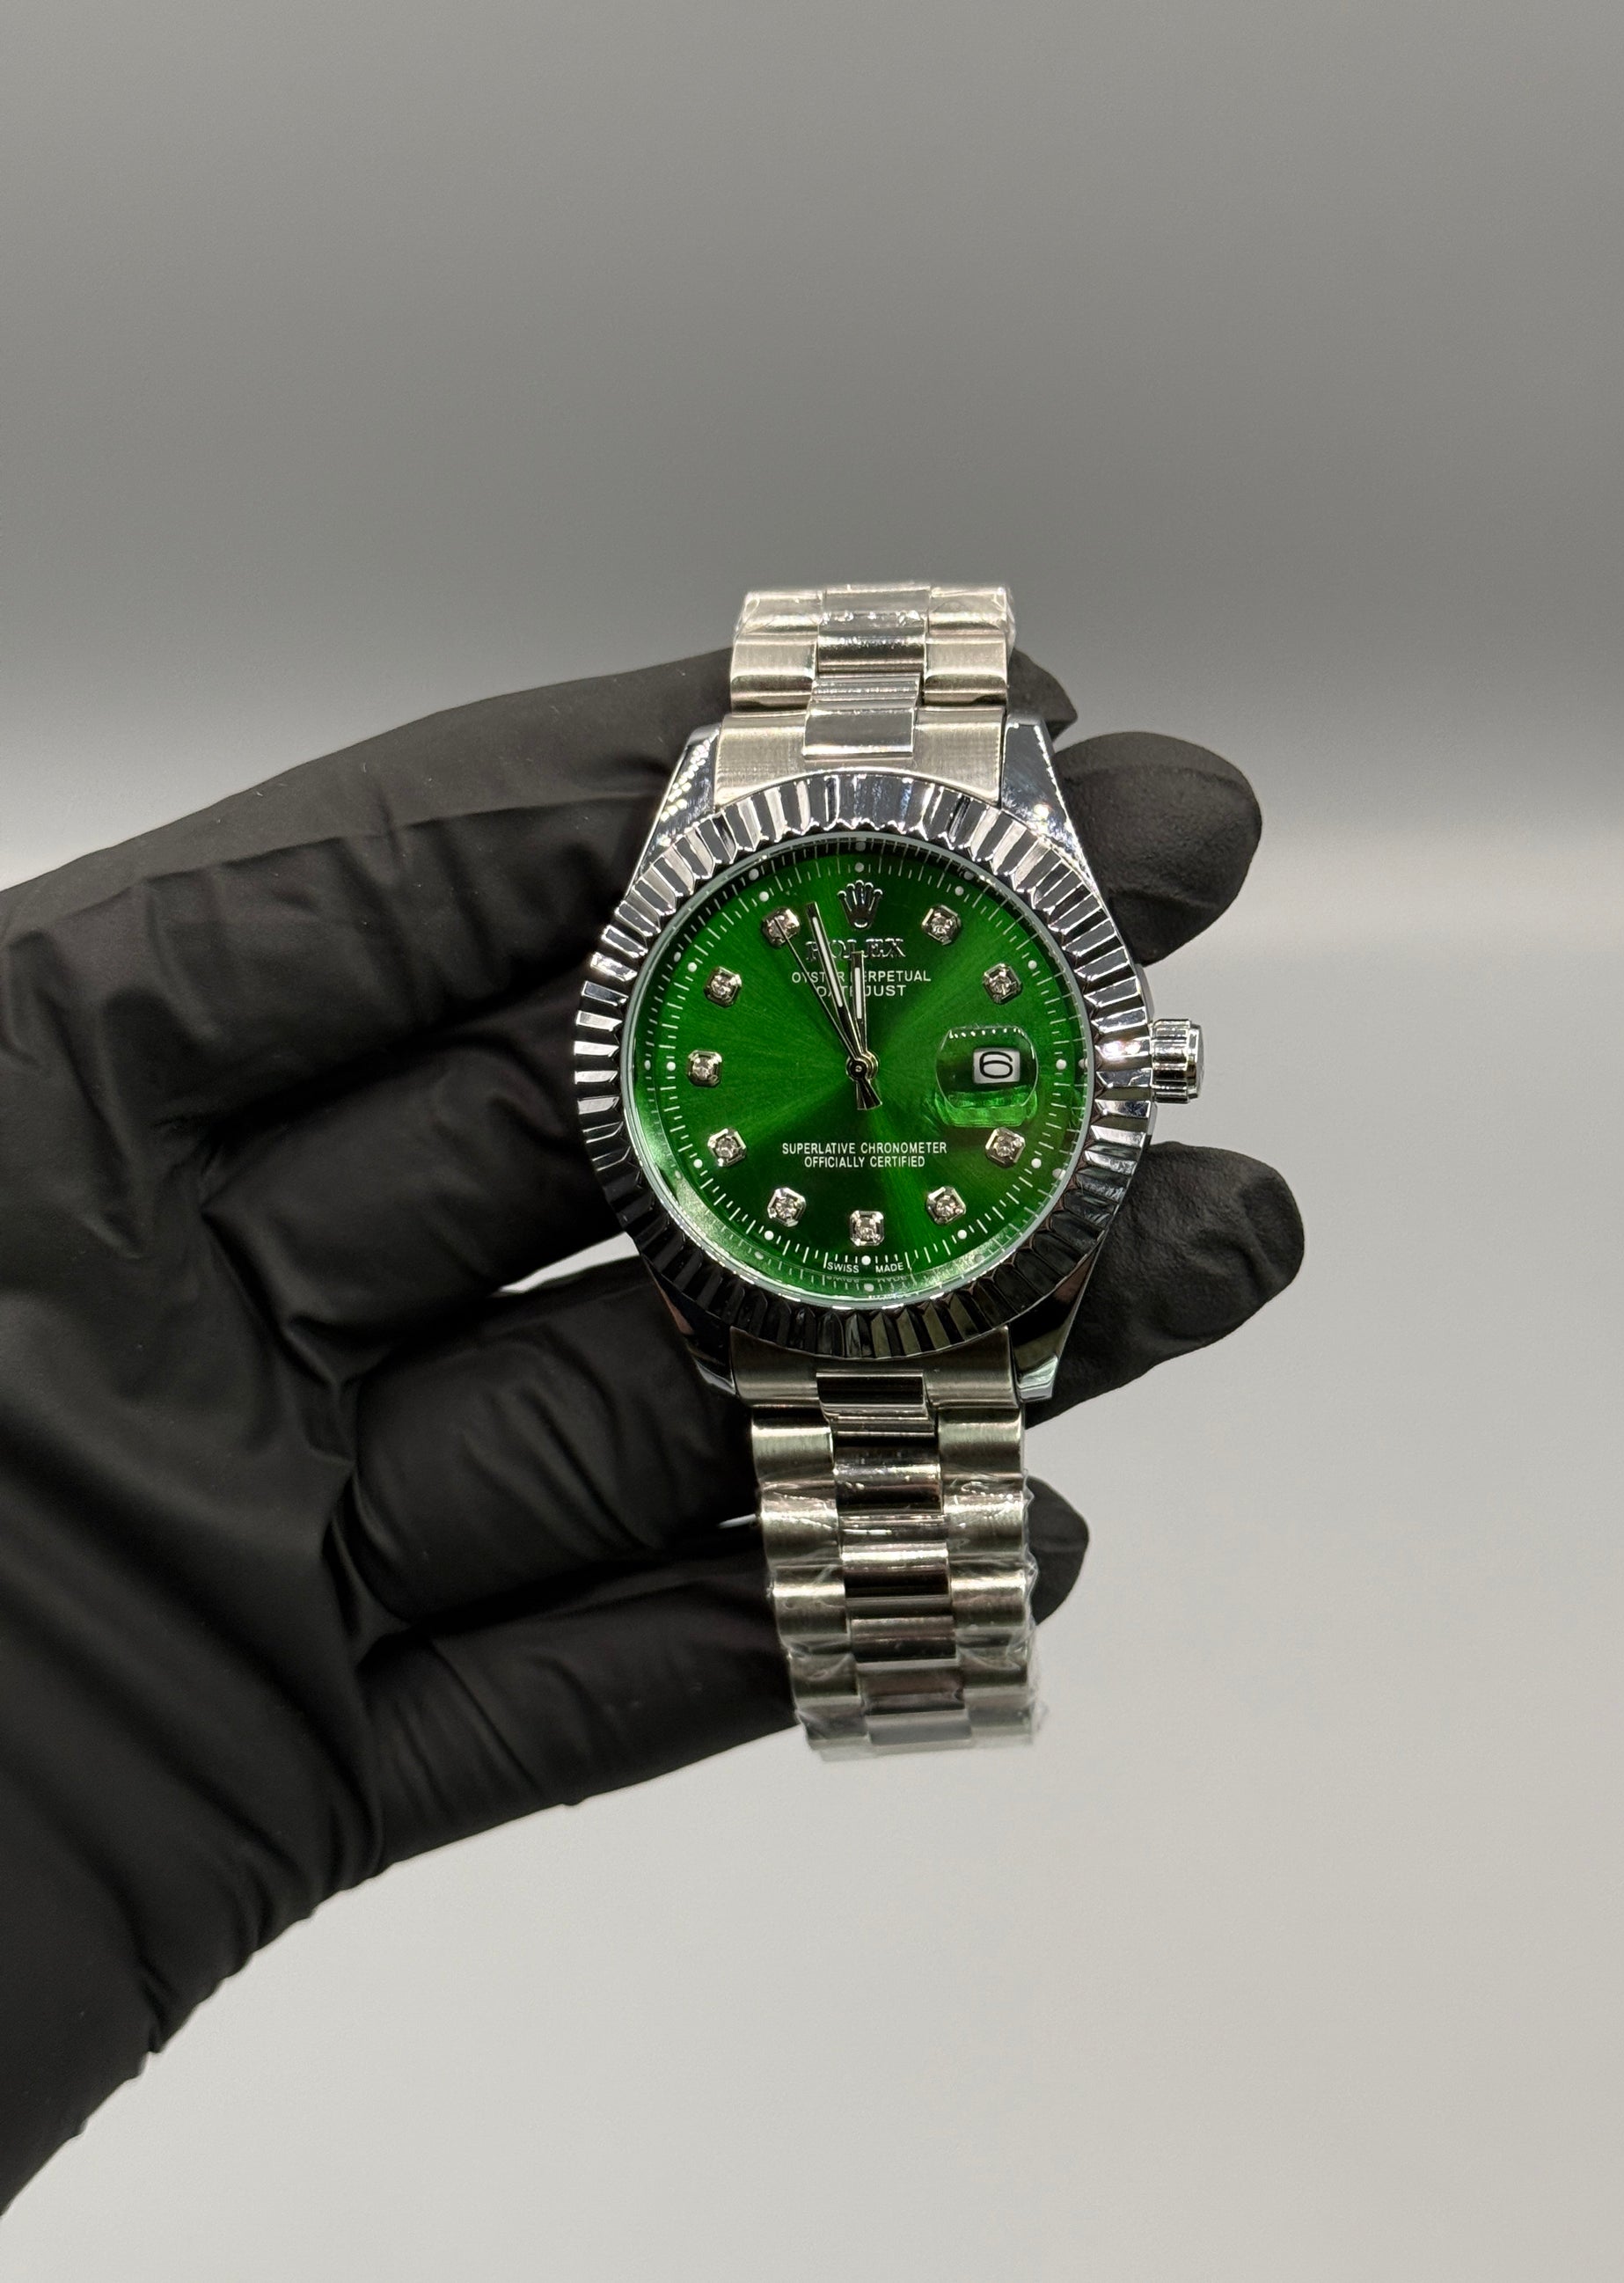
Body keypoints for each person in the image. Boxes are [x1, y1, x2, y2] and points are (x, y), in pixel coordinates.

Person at [0, 640, 1302, 2207]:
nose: (867, 1076)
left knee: (941, 1589)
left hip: (868, 1214)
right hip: (779, 1223)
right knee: (938, 1589)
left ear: (1134, 1066)